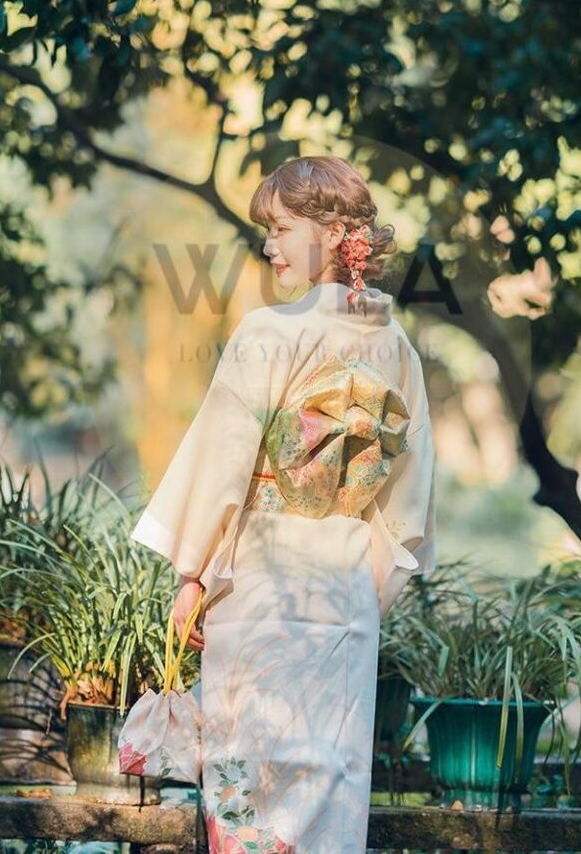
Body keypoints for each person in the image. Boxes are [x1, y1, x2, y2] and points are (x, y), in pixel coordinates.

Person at [130, 155, 437, 852]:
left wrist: (193, 574)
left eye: (281, 227)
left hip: (263, 579)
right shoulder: (396, 346)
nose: (269, 244)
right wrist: (368, 584)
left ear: (332, 233)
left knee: (250, 768)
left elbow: (223, 464)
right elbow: (409, 499)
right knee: (332, 772)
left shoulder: (268, 332)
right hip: (347, 587)